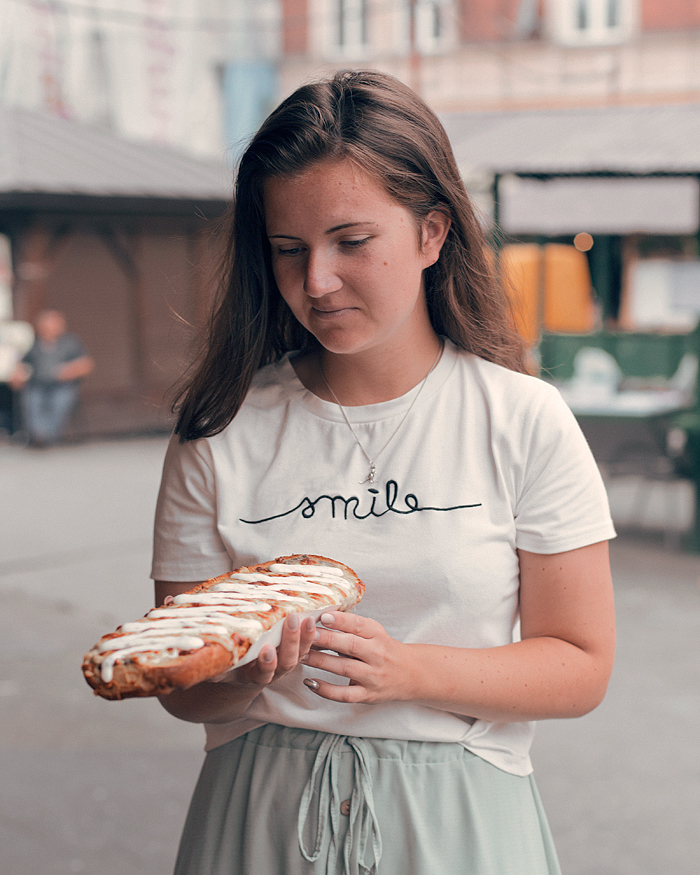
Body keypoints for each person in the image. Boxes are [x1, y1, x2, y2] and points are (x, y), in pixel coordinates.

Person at [151, 70, 616, 875]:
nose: (317, 281)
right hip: (255, 819)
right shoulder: (219, 433)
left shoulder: (523, 420)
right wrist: (240, 675)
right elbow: (180, 682)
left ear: (432, 234)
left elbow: (580, 663)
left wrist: (406, 670)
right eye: (289, 250)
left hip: (462, 827)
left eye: (351, 242)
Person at [9, 309, 94, 447]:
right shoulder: (34, 344)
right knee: (32, 401)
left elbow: (86, 364)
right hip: (38, 384)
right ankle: (38, 434)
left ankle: (47, 435)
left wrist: (69, 370)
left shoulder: (70, 343)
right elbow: (21, 363)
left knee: (61, 400)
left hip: (63, 385)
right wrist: (17, 374)